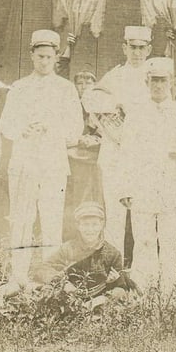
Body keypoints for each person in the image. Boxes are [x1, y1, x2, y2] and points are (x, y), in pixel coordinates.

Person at [0, 29, 83, 286]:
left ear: (56, 57)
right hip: (24, 162)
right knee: (21, 219)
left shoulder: (66, 89)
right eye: (40, 56)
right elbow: (5, 124)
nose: (44, 61)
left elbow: (75, 130)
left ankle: (50, 278)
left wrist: (51, 129)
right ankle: (18, 275)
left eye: (49, 56)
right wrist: (22, 129)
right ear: (31, 55)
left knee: (51, 220)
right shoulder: (19, 87)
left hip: (52, 164)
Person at [115, 57, 176, 296]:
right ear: (147, 82)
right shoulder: (137, 114)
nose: (158, 85)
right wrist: (125, 188)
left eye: (163, 80)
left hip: (172, 185)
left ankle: (167, 294)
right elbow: (126, 152)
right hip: (143, 187)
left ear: (171, 82)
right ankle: (143, 293)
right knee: (144, 241)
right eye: (154, 80)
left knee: (169, 242)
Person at [88, 26, 153, 250]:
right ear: (125, 48)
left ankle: (143, 269)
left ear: (149, 49)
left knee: (143, 216)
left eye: (142, 48)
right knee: (115, 215)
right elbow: (92, 104)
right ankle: (114, 266)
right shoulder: (113, 77)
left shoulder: (154, 77)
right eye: (133, 47)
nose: (137, 53)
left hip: (143, 155)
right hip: (115, 154)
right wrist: (114, 107)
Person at [30, 202, 135, 306]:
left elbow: (121, 288)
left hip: (99, 302)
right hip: (69, 300)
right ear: (78, 226)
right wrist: (63, 283)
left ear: (102, 225)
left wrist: (103, 298)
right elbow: (42, 269)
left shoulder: (113, 253)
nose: (90, 230)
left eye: (94, 224)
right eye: (85, 225)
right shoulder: (68, 248)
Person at [64, 67, 104, 235]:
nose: (84, 87)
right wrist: (78, 140)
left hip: (95, 158)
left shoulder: (101, 108)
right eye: (80, 83)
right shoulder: (69, 107)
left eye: (88, 83)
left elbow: (107, 133)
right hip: (73, 159)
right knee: (74, 199)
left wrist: (95, 140)